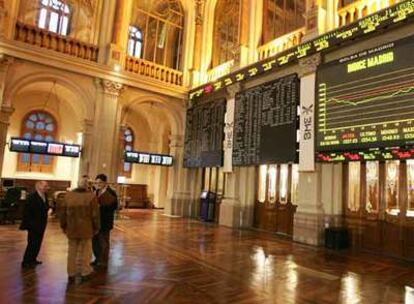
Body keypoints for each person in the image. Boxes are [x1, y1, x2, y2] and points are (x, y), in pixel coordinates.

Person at [60, 177, 100, 283]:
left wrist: (63, 226)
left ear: (78, 184)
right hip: (86, 228)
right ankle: (85, 272)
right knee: (86, 251)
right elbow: (95, 215)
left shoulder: (68, 196)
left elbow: (62, 213)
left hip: (72, 228)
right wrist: (97, 227)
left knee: (72, 251)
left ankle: (71, 273)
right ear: (87, 185)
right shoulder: (91, 197)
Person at [20, 181, 49, 268]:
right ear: (39, 187)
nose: (47, 187)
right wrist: (30, 224)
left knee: (38, 243)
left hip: (41, 224)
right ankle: (26, 261)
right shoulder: (32, 197)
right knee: (32, 243)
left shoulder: (45, 196)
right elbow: (27, 212)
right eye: (45, 186)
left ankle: (33, 259)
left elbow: (45, 207)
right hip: (33, 224)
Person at [92, 174, 118, 269]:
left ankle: (103, 261)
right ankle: (97, 259)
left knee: (104, 242)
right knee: (95, 242)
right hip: (96, 221)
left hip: (105, 221)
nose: (98, 184)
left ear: (105, 182)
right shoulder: (96, 191)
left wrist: (102, 207)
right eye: (96, 182)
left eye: (100, 182)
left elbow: (115, 206)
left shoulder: (111, 192)